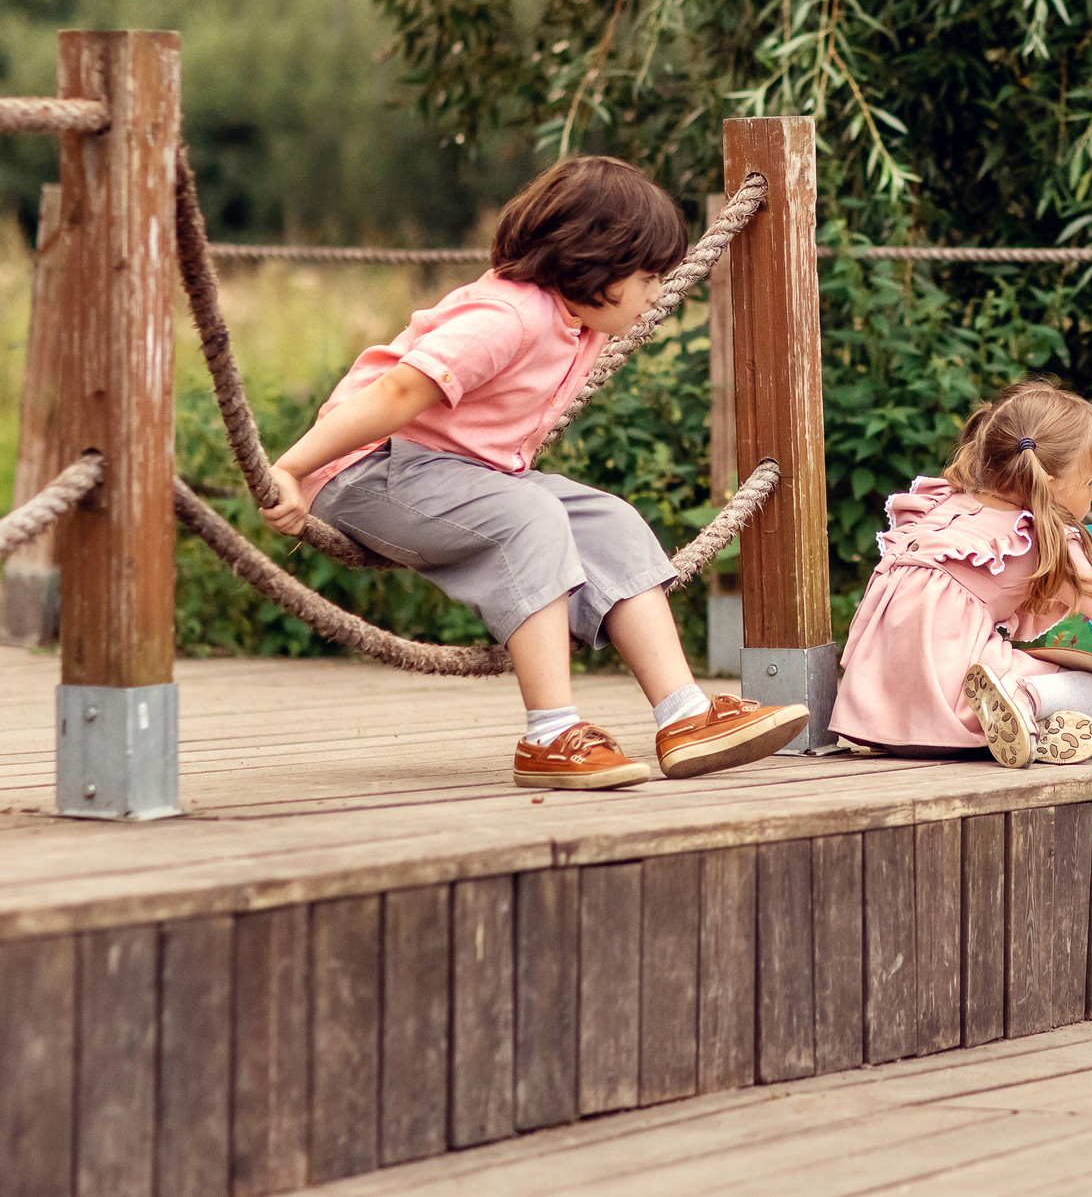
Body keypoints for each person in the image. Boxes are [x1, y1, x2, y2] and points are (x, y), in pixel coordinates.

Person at [260, 155, 806, 789]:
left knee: (611, 522)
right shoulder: (506, 317)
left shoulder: (583, 320)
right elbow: (396, 396)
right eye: (649, 277)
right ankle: (550, 732)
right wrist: (293, 469)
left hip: (466, 475)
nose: (658, 295)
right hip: (368, 470)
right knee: (532, 515)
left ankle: (683, 714)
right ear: (591, 262)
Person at [831, 380, 1092, 766]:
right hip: (955, 696)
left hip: (884, 712)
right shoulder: (1039, 536)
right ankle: (1022, 702)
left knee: (1045, 688)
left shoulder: (942, 507)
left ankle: (1025, 730)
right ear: (1054, 480)